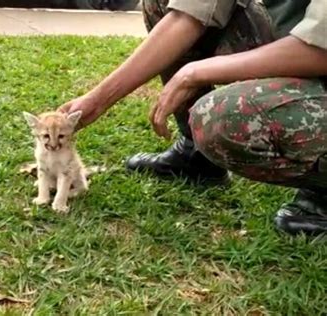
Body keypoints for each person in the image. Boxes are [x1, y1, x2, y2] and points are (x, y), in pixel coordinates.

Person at [58, 0, 327, 235]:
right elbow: (191, 12)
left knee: (223, 118)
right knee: (165, 3)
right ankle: (197, 157)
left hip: (317, 55)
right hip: (299, 45)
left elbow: (320, 51)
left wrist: (196, 72)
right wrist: (98, 100)